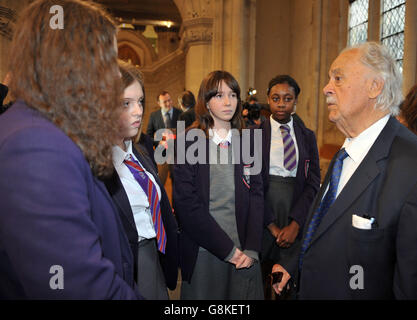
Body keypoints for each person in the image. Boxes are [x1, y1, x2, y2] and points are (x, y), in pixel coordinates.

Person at [0, 0, 141, 299]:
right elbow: (79, 288)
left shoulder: (50, 131)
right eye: (108, 61)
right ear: (76, 62)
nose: (116, 77)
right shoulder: (37, 147)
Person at [272, 42, 417, 299]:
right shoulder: (346, 151)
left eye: (338, 78)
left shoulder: (410, 163)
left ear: (375, 87)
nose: (326, 88)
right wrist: (293, 263)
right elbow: (324, 221)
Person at [173, 70, 265, 300]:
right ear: (206, 101)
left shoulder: (247, 141)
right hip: (206, 250)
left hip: (245, 252)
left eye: (233, 95)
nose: (228, 102)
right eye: (219, 95)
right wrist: (227, 250)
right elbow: (186, 204)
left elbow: (257, 196)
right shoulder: (188, 142)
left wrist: (252, 247)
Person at [104, 61, 178, 299]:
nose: (138, 111)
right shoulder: (94, 165)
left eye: (140, 102)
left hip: (154, 258)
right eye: (126, 103)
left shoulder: (141, 153)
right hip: (124, 268)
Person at [259, 75, 320, 299]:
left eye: (287, 98)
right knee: (262, 278)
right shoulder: (254, 136)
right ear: (268, 99)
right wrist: (272, 227)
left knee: (286, 282)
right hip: (264, 212)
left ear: (295, 102)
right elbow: (250, 185)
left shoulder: (306, 136)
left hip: (295, 208)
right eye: (276, 98)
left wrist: (296, 224)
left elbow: (314, 181)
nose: (281, 103)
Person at [146, 90, 182, 185]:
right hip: (161, 155)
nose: (168, 103)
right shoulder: (154, 116)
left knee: (178, 183)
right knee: (160, 183)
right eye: (165, 102)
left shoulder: (180, 114)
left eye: (169, 100)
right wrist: (159, 142)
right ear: (159, 103)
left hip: (177, 155)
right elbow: (148, 136)